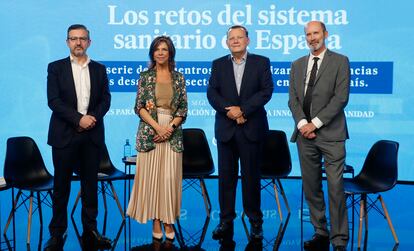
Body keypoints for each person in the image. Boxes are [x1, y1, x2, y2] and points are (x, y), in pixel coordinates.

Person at [44, 24, 112, 250]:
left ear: (89, 42)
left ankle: (90, 231)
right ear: (67, 42)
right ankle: (57, 234)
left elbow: (105, 100)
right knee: (61, 187)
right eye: (74, 39)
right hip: (64, 136)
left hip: (91, 136)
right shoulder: (55, 68)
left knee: (90, 186)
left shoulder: (100, 69)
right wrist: (78, 119)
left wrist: (91, 117)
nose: (78, 42)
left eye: (82, 38)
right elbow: (53, 101)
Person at [207, 25, 274, 241]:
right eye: (231, 38)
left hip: (251, 129)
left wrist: (243, 110)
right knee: (226, 179)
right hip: (226, 131)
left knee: (251, 178)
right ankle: (226, 221)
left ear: (248, 40)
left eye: (239, 37)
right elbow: (212, 92)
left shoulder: (261, 62)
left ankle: (255, 221)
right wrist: (231, 111)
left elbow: (266, 91)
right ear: (227, 42)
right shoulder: (218, 65)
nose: (235, 41)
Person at [288, 21, 350, 251]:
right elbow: (293, 99)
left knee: (335, 186)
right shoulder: (297, 64)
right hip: (305, 135)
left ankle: (340, 238)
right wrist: (304, 124)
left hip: (331, 134)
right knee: (311, 186)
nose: (312, 38)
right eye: (308, 34)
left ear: (325, 34)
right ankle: (320, 231)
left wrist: (315, 123)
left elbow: (340, 98)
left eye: (316, 33)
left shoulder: (340, 61)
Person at [126, 35, 188, 250]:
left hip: (172, 133)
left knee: (169, 180)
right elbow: (139, 106)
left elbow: (183, 109)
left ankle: (169, 221)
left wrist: (169, 128)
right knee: (152, 180)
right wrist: (158, 127)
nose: (160, 53)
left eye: (165, 49)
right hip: (151, 132)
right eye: (157, 49)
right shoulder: (145, 76)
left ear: (170, 53)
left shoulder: (179, 77)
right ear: (152, 53)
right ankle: (155, 221)